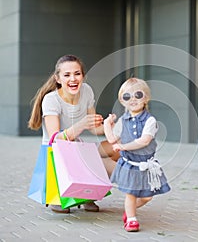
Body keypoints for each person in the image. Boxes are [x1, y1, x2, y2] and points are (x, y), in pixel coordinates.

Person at [28, 54, 119, 213]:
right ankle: (76, 193)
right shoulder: (51, 100)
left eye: (77, 73)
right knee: (108, 165)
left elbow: (93, 128)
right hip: (56, 153)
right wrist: (81, 124)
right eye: (67, 75)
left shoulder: (87, 91)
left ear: (83, 75)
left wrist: (109, 126)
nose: (73, 79)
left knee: (116, 147)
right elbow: (55, 139)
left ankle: (88, 193)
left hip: (77, 147)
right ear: (58, 78)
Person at [104, 77, 171, 232]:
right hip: (130, 164)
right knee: (131, 193)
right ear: (122, 100)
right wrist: (107, 125)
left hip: (146, 163)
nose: (132, 99)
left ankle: (129, 211)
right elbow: (112, 138)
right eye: (127, 96)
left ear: (146, 98)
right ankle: (132, 219)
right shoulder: (123, 120)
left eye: (138, 95)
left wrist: (124, 146)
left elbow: (144, 141)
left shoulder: (150, 120)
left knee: (147, 196)